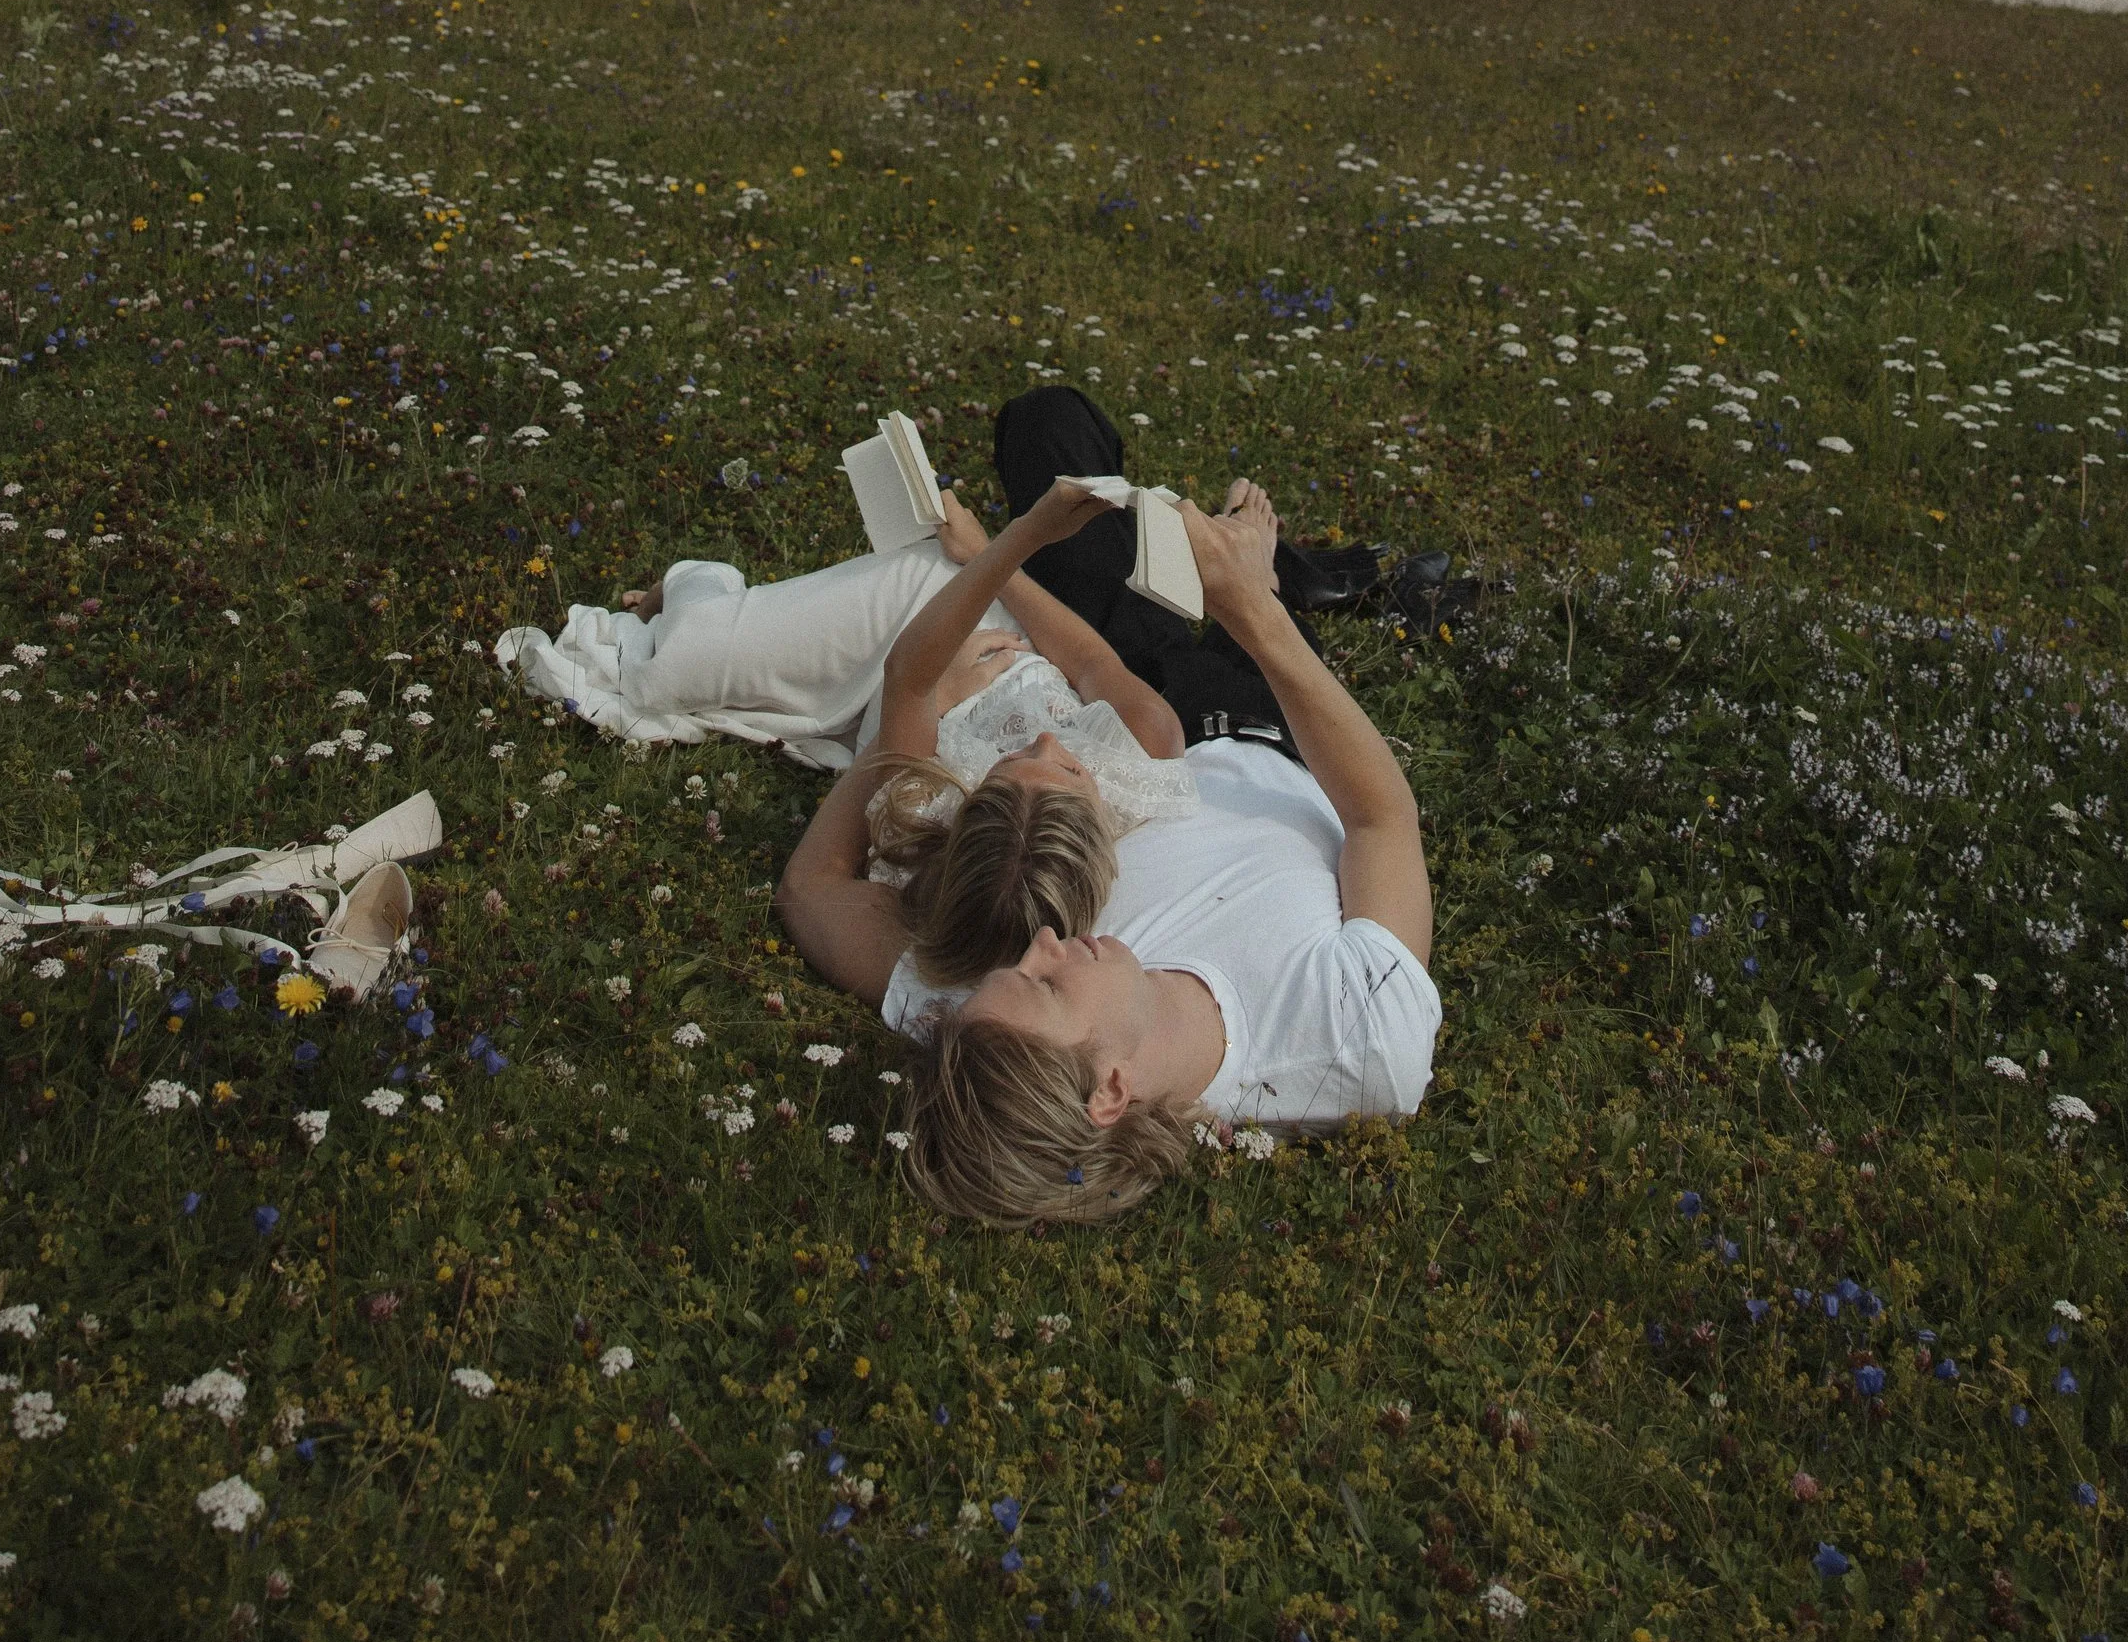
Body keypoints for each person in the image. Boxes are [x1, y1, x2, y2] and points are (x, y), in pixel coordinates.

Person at [887, 486, 1441, 1225]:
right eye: (1046, 985)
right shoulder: (1355, 1041)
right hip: (1282, 735)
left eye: (1014, 965)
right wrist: (1248, 607)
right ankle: (1269, 571)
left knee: (1059, 453)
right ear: (1111, 1090)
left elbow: (812, 892)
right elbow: (1381, 821)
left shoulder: (986, 1019)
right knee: (1209, 576)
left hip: (1138, 727)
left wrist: (1005, 545)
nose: (1041, 943)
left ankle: (1244, 557)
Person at [505, 477, 1199, 987]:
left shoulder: (927, 810)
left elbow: (909, 682)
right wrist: (997, 552)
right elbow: (1089, 660)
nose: (1051, 743)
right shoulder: (1148, 749)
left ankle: (718, 613)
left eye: (1014, 761)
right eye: (1061, 762)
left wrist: (931, 709)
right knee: (674, 663)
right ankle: (694, 586)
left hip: (915, 677)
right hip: (943, 607)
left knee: (651, 678)